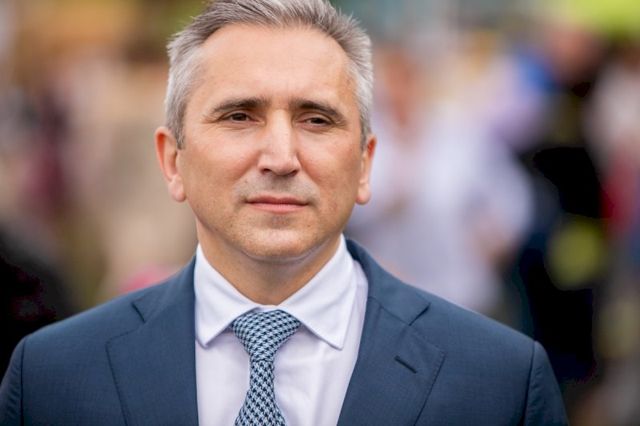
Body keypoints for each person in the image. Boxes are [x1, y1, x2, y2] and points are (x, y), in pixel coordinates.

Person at [0, 0, 567, 424]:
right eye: (239, 116)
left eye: (316, 119)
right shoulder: (55, 378)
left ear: (364, 164)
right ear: (173, 160)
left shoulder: (499, 383)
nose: (280, 157)